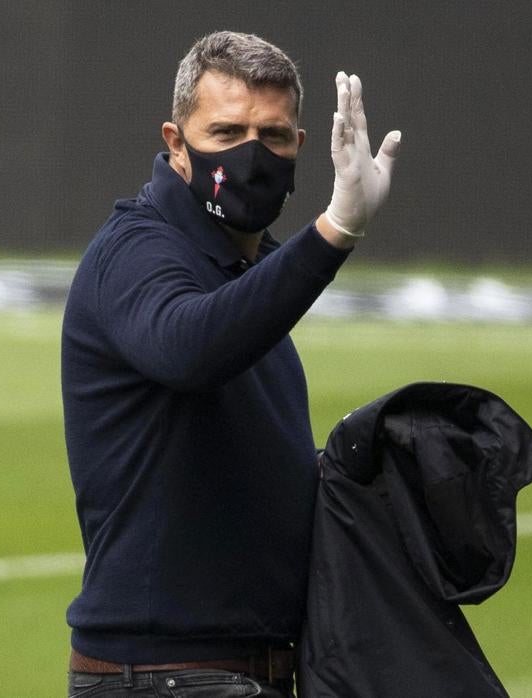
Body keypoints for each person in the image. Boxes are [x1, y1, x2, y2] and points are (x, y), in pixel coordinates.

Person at [60, 31, 401, 697]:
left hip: (247, 665)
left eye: (272, 136)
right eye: (225, 130)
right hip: (166, 673)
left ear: (302, 148)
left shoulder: (254, 272)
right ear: (176, 143)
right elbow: (191, 348)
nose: (250, 155)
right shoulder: (137, 249)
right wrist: (335, 230)